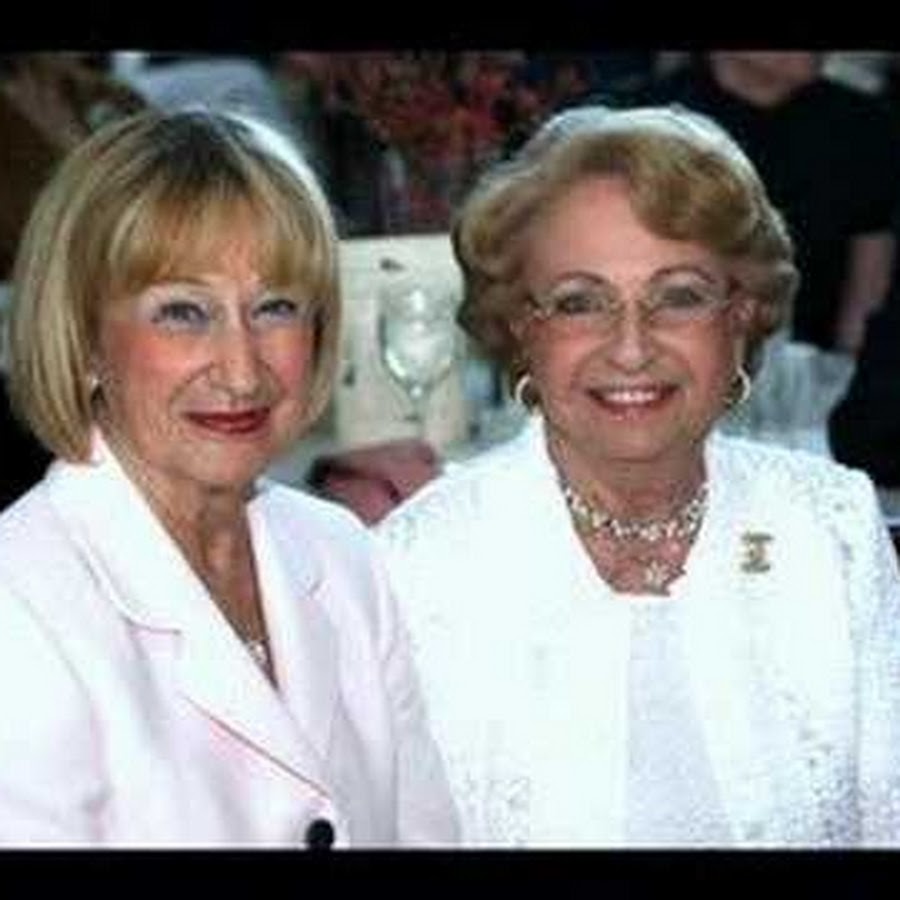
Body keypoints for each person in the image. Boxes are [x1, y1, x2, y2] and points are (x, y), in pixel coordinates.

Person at [376, 104, 900, 847]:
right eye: (580, 303)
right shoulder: (419, 564)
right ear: (521, 327)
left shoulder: (832, 529)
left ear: (741, 316)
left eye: (678, 296)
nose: (630, 349)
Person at [0, 108, 459, 847]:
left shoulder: (341, 551)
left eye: (275, 307)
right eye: (183, 312)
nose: (242, 370)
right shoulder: (19, 605)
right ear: (84, 342)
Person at [633, 52, 900, 356]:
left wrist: (847, 371)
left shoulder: (862, 126)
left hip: (813, 368)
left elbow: (868, 279)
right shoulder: (640, 129)